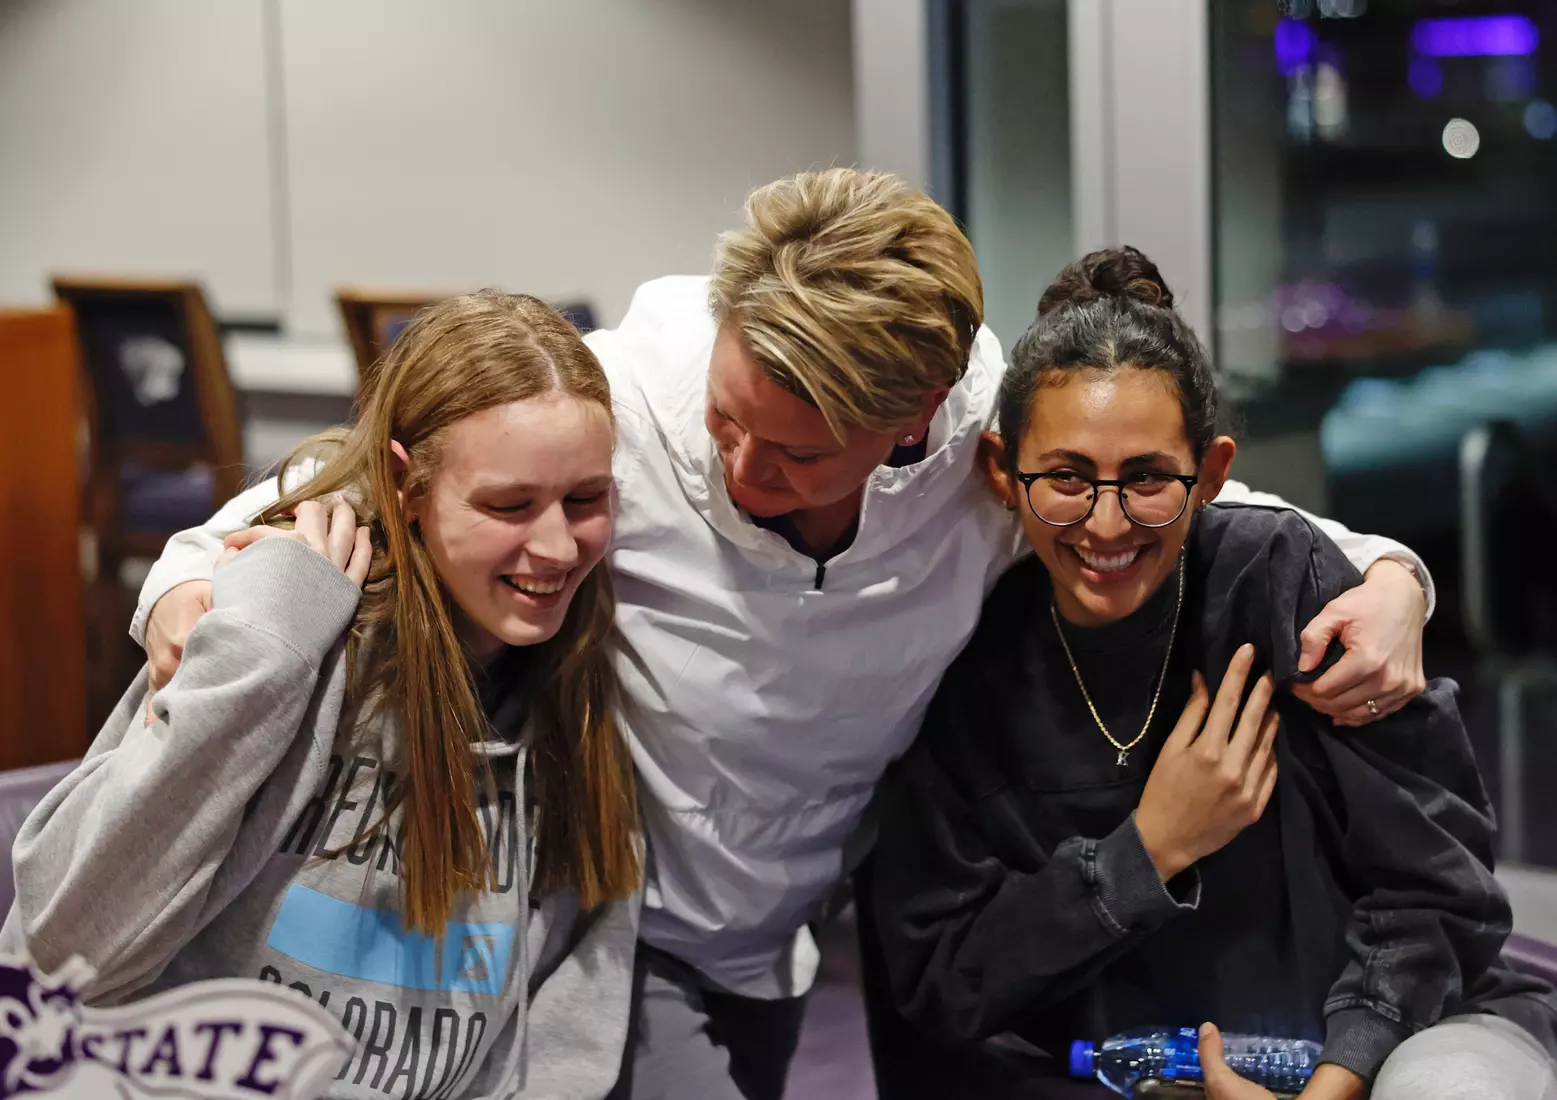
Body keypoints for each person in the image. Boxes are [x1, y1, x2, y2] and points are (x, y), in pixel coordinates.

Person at [129, 171, 1434, 1100]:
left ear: (919, 424)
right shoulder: (630, 391)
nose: (739, 460)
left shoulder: (987, 439)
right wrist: (189, 594)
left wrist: (1394, 583)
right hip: (602, 909)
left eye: (794, 455)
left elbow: (1208, 500)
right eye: (730, 418)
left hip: (785, 925)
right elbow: (305, 501)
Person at [871, 247, 1557, 1099]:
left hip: (1390, 1044)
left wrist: (1336, 1080)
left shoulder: (1279, 582)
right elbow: (938, 975)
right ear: (1003, 475)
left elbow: (1437, 890)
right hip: (1129, 1073)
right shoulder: (964, 660)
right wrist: (1152, 849)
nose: (1106, 522)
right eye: (1066, 479)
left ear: (1213, 474)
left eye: (1149, 478)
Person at [2, 293, 643, 1100]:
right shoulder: (275, 641)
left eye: (585, 500)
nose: (556, 546)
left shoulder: (579, 695)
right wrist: (261, 655)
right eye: (507, 505)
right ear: (407, 485)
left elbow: (562, 1034)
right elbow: (57, 958)